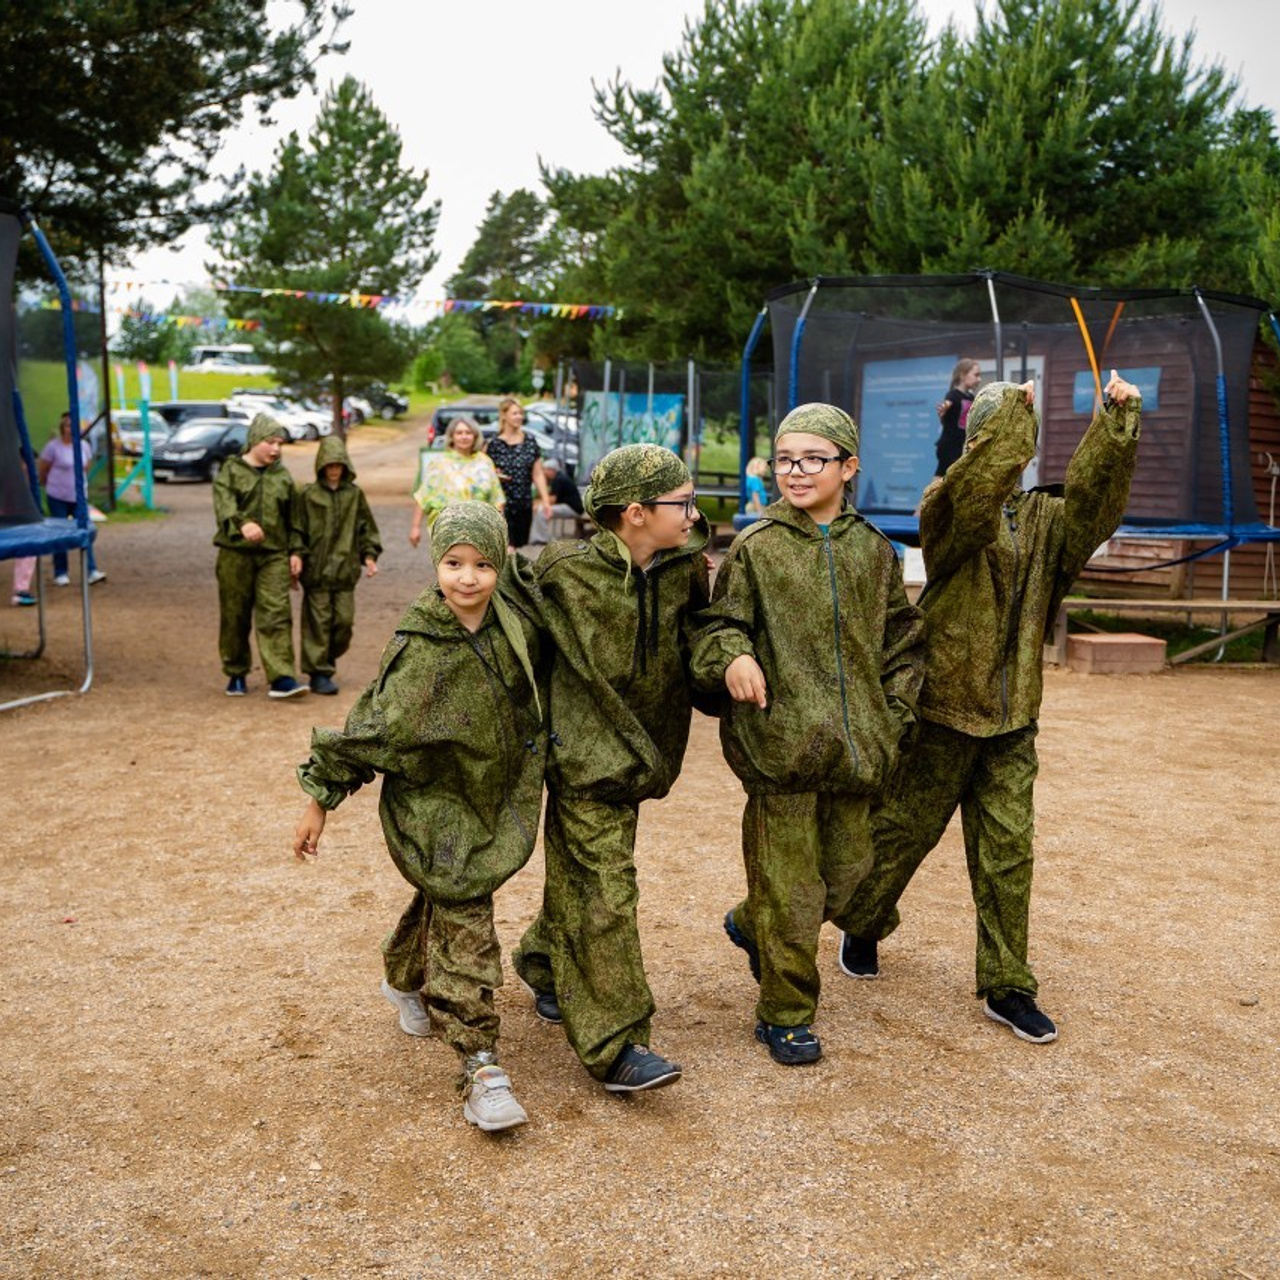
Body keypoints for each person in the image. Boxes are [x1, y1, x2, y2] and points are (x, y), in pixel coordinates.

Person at [839, 372, 1143, 1044]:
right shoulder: (943, 505)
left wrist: (1115, 427)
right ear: (982, 441)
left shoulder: (1046, 521)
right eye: (1003, 434)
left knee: (1008, 852)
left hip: (1012, 721)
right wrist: (1007, 413)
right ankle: (863, 920)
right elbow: (973, 500)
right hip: (943, 709)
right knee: (899, 836)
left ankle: (1007, 983)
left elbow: (1096, 503)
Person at [293, 502, 546, 1132]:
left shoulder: (516, 624)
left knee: (450, 895)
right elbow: (370, 730)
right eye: (454, 563)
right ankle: (481, 1065)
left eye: (483, 564)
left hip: (492, 794)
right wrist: (318, 801)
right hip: (434, 808)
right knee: (466, 912)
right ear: (436, 564)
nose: (468, 577)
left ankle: (404, 974)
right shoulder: (418, 647)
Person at [689, 403, 924, 1067]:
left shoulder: (874, 552)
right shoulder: (758, 549)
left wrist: (893, 716)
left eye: (813, 459)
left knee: (849, 884)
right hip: (782, 755)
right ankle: (785, 1013)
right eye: (787, 458)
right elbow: (717, 627)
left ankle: (747, 919)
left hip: (857, 758)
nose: (796, 471)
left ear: (849, 466)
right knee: (793, 898)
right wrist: (733, 657)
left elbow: (903, 645)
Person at [512, 443, 711, 1093]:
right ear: (634, 513)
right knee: (606, 888)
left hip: (642, 759)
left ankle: (543, 961)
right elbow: (512, 644)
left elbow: (699, 637)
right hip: (583, 761)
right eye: (681, 502)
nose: (693, 512)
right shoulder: (564, 572)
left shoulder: (685, 566)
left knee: (585, 874)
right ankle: (617, 1041)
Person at [212, 413, 307, 698]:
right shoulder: (230, 471)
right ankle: (236, 672)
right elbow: (224, 504)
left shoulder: (282, 475)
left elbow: (295, 518)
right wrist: (243, 523)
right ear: (254, 440)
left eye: (280, 443)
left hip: (274, 556)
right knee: (235, 615)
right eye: (270, 442)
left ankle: (281, 678)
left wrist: (296, 551)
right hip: (235, 555)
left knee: (276, 614)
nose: (276, 449)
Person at [298, 435, 382, 696]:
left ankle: (327, 657)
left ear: (345, 466)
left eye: (338, 465)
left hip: (345, 572)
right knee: (318, 623)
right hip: (317, 572)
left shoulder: (354, 496)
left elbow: (366, 527)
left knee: (343, 623)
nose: (334, 470)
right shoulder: (308, 496)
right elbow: (297, 529)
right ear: (321, 466)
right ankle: (318, 672)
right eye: (329, 465)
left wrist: (369, 556)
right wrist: (298, 556)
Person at [409, 417, 504, 548]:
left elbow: (497, 499)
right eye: (459, 433)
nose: (464, 437)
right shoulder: (439, 463)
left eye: (468, 433)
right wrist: (415, 527)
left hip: (480, 531)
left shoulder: (484, 462)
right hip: (446, 531)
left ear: (475, 436)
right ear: (451, 436)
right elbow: (423, 497)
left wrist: (500, 531)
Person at [37, 411, 106, 588]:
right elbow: (43, 468)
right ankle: (61, 572)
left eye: (73, 425)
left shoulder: (83, 446)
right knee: (60, 532)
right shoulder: (53, 447)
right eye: (67, 425)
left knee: (85, 530)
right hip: (57, 495)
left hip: (78, 497)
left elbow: (86, 467)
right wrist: (46, 483)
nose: (70, 429)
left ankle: (91, 570)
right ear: (63, 428)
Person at [485, 397, 553, 550]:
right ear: (504, 415)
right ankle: (507, 572)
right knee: (507, 545)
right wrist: (495, 475)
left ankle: (510, 572)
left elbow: (538, 474)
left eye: (520, 413)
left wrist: (546, 500)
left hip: (523, 502)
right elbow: (485, 474)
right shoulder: (494, 444)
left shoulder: (530, 442)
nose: (519, 417)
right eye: (515, 413)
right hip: (501, 504)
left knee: (519, 545)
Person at [934, 358, 982, 478]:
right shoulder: (953, 395)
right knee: (941, 478)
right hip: (949, 446)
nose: (979, 379)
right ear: (962, 375)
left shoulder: (971, 397)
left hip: (962, 446)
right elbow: (948, 403)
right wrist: (944, 407)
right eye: (976, 375)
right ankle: (931, 496)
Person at [528, 455, 584, 544]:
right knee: (540, 509)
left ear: (551, 470)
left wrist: (538, 504)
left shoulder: (558, 479)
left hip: (573, 509)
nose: (543, 473)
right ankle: (538, 537)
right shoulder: (559, 477)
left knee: (542, 510)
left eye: (544, 470)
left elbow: (552, 500)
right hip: (570, 507)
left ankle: (542, 539)